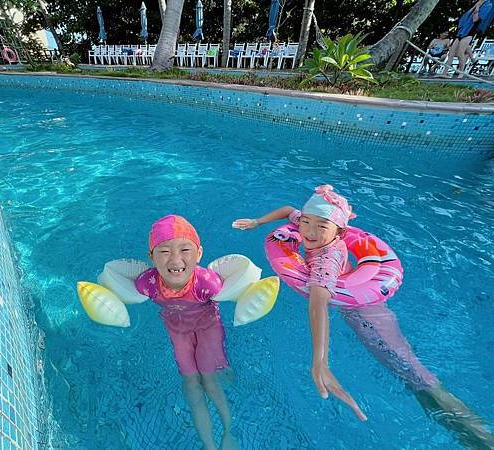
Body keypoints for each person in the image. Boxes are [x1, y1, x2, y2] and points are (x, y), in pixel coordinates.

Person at [233, 185, 494, 446]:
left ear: (340, 232)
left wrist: (320, 361)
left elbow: (318, 304)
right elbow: (289, 210)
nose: (309, 231)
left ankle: (477, 434)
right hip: (367, 305)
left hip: (367, 319)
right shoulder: (310, 224)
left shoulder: (326, 261)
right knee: (410, 371)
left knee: (414, 374)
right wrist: (257, 221)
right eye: (306, 222)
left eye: (321, 226)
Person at [135, 215, 237, 450]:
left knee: (209, 377)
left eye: (184, 250)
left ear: (199, 253)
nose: (175, 259)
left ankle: (228, 431)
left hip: (208, 327)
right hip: (178, 332)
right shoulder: (147, 284)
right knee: (191, 381)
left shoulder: (207, 283)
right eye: (164, 252)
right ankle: (209, 444)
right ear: (151, 257)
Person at [440, 0, 494, 78]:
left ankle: (461, 73)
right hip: (461, 32)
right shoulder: (473, 6)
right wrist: (475, 7)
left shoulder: (488, 5)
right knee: (451, 54)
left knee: (460, 53)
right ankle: (444, 73)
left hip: (469, 32)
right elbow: (462, 20)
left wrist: (477, 8)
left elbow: (475, 19)